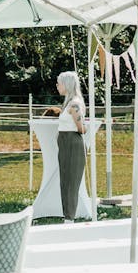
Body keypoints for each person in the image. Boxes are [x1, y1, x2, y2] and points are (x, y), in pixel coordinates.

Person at [55, 70, 87, 223]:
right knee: (65, 180)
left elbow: (81, 128)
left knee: (71, 182)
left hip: (72, 143)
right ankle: (66, 215)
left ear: (66, 85)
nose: (57, 86)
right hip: (64, 143)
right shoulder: (68, 103)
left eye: (59, 83)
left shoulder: (74, 104)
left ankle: (69, 217)